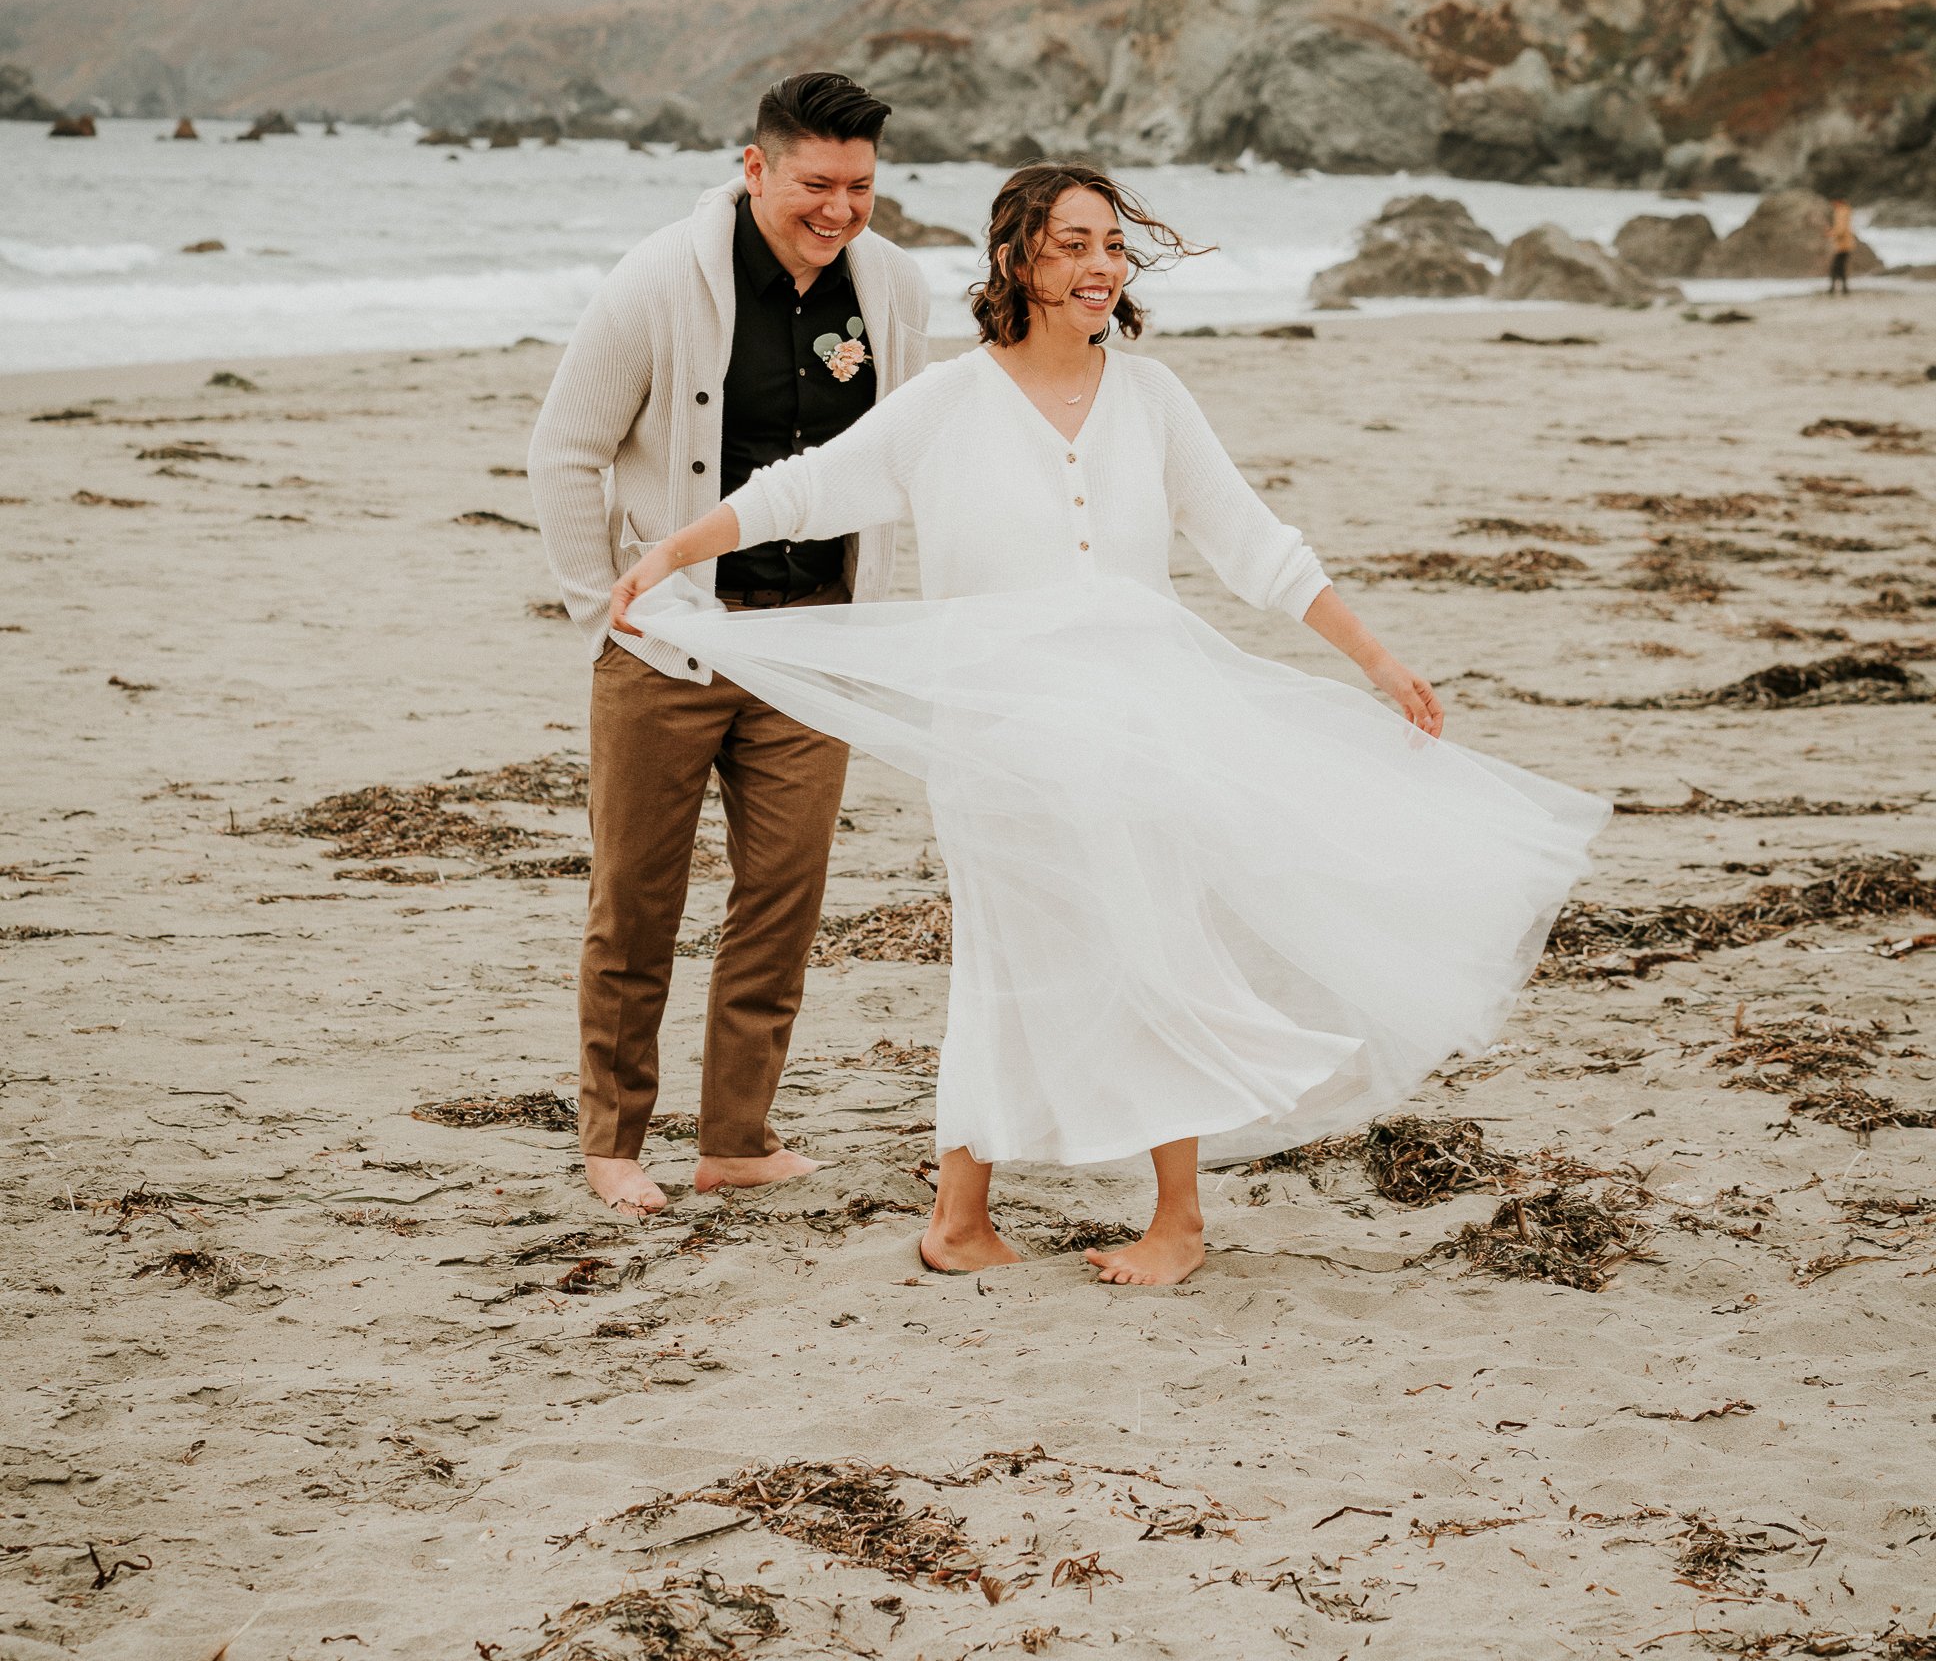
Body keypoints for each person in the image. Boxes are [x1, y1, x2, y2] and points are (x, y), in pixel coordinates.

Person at [612, 164, 1606, 1286]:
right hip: (1002, 741)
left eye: (1112, 247)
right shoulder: (947, 402)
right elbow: (805, 490)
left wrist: (1375, 655)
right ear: (1015, 261)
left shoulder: (1151, 398)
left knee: (1157, 943)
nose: (1099, 266)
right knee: (1002, 961)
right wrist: (671, 550)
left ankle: (1173, 1219)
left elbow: (1251, 543)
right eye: (1073, 244)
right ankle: (959, 1219)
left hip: (1144, 723)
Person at [528, 70, 929, 1217]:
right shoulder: (659, 278)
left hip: (813, 648)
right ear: (753, 167)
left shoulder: (891, 286)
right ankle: (614, 1140)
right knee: (636, 901)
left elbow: (893, 458)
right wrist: (599, 604)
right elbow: (564, 450)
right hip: (671, 646)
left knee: (782, 900)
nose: (839, 208)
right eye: (815, 183)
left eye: (859, 185)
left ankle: (736, 1137)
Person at [1827, 198, 1856, 296]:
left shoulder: (1841, 212)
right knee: (1840, 267)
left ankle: (1834, 288)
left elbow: (1841, 229)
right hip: (1846, 244)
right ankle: (1842, 288)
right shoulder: (1845, 210)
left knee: (1836, 267)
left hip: (1843, 244)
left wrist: (1831, 233)